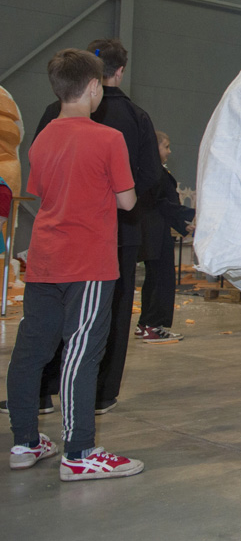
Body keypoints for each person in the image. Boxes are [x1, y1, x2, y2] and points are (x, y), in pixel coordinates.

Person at [6, 49, 143, 480]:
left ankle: (25, 442)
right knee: (81, 353)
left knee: (31, 352)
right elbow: (127, 201)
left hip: (45, 260)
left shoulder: (42, 138)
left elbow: (43, 192)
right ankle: (79, 452)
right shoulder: (108, 138)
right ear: (94, 87)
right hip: (89, 264)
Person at [32, 38, 160, 414]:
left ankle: (43, 390)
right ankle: (100, 394)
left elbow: (39, 169)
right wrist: (121, 195)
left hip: (61, 232)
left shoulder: (55, 112)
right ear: (120, 71)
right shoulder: (136, 117)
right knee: (108, 317)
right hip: (117, 232)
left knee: (52, 317)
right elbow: (150, 176)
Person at [136, 132, 195, 343]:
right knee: (162, 279)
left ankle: (145, 323)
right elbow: (163, 204)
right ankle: (154, 326)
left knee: (153, 279)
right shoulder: (154, 173)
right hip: (156, 232)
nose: (169, 151)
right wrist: (190, 216)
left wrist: (183, 224)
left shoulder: (151, 171)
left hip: (154, 231)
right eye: (166, 146)